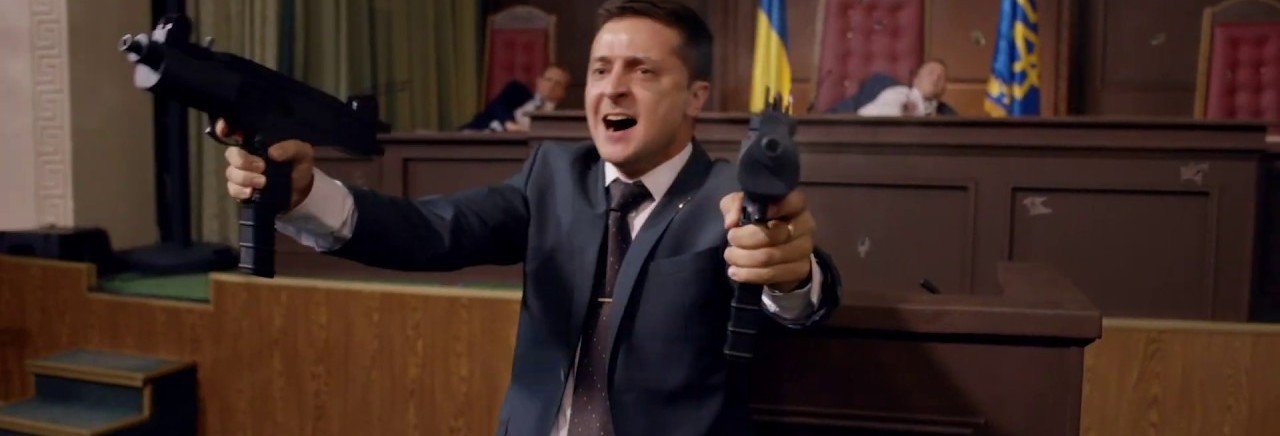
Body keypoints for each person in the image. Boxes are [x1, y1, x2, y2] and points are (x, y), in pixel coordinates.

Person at [220, 0, 841, 434]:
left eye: (643, 71)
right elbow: (431, 231)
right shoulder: (553, 175)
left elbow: (799, 288)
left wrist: (789, 274)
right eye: (600, 70)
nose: (613, 88)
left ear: (694, 97)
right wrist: (305, 194)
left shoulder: (730, 195)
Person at [828, 59, 957, 117]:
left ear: (944, 88)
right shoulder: (883, 88)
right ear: (915, 79)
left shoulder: (948, 116)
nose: (936, 78)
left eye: (941, 77)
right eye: (930, 73)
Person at [461, 65, 571, 132]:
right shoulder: (517, 91)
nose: (551, 86)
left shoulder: (561, 119)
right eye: (548, 80)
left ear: (563, 92)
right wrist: (510, 125)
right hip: (478, 133)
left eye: (558, 83)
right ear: (538, 81)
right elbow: (496, 106)